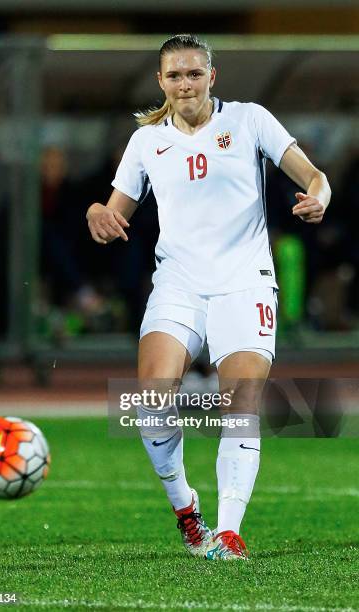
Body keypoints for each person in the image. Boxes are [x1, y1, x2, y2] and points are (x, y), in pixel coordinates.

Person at [86, 34, 331, 560]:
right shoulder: (146, 141)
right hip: (179, 282)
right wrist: (97, 216)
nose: (185, 84)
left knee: (239, 403)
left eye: (194, 74)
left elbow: (314, 176)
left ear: (212, 77)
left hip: (244, 282)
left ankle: (228, 531)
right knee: (152, 394)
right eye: (174, 75)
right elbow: (114, 212)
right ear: (161, 81)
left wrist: (318, 198)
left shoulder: (248, 120)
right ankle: (186, 509)